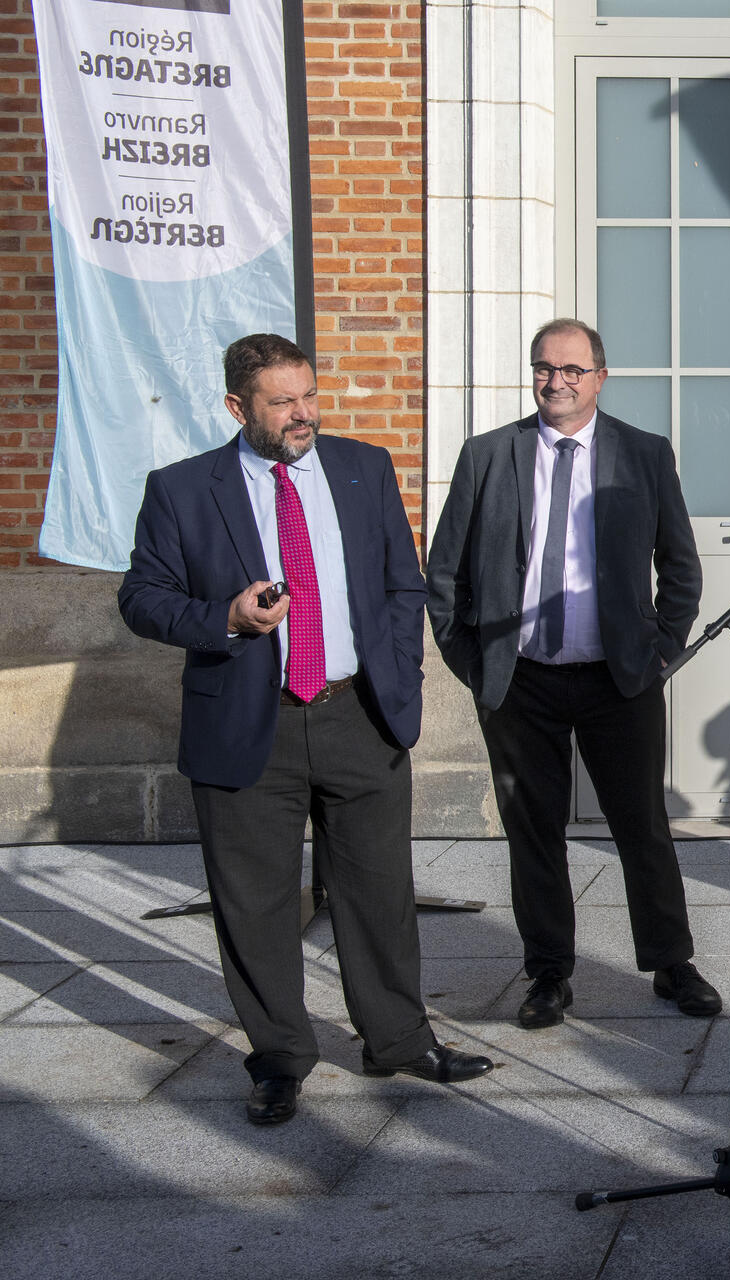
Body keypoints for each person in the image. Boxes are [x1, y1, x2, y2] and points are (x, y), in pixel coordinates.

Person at [118, 333, 493, 1126]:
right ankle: (280, 1058)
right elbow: (142, 598)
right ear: (236, 407)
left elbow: (403, 582)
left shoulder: (363, 467)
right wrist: (222, 616)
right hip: (251, 722)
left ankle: (397, 1041)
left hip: (359, 712)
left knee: (379, 891)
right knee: (254, 903)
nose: (303, 414)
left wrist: (401, 684)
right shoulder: (183, 490)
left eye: (310, 395)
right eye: (282, 402)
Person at [425, 318, 719, 1027]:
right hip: (520, 682)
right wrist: (478, 667)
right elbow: (443, 576)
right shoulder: (488, 455)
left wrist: (660, 651)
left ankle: (671, 962)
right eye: (543, 369)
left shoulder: (643, 454)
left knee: (641, 826)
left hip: (619, 680)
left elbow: (679, 566)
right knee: (535, 832)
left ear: (600, 377)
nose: (555, 382)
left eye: (571, 370)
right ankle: (549, 972)